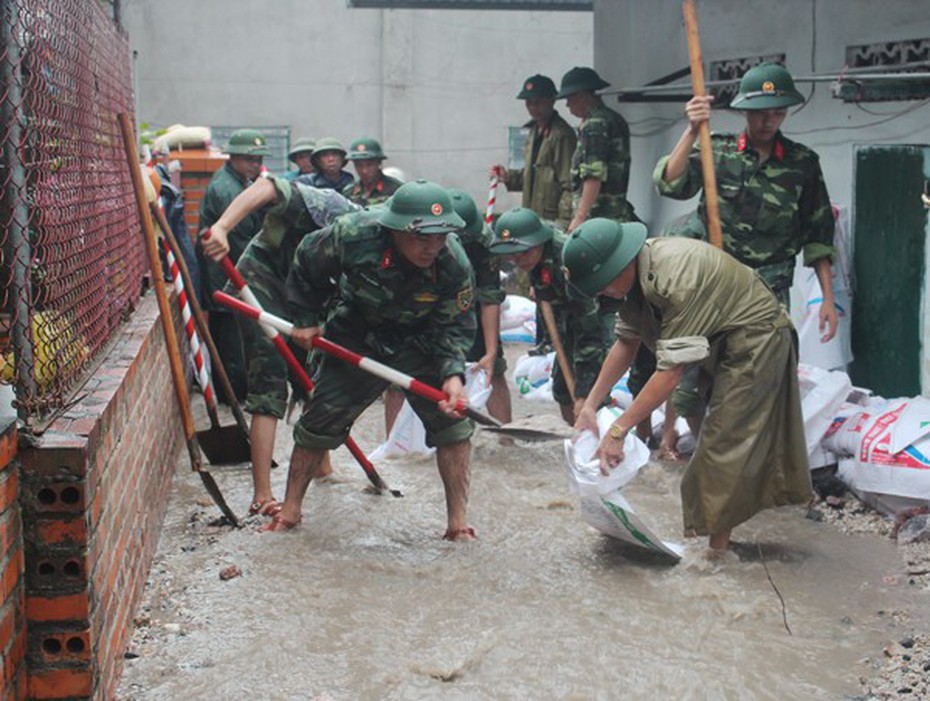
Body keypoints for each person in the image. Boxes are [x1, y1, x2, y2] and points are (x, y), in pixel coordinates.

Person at [565, 218, 812, 552]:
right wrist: (591, 406)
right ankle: (720, 539)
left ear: (622, 261)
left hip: (757, 340)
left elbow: (669, 373)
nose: (604, 292)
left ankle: (715, 557)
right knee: (718, 438)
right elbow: (625, 343)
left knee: (720, 444)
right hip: (720, 343)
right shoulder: (637, 277)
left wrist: (619, 430)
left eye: (605, 283)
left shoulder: (676, 280)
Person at [269, 180, 477, 541]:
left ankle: (457, 524)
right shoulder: (354, 233)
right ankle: (290, 510)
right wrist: (306, 318)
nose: (433, 247)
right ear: (396, 229)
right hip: (356, 333)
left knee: (454, 429)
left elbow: (454, 325)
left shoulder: (453, 262)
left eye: (441, 236)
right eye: (423, 237)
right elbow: (306, 260)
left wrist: (453, 375)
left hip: (420, 340)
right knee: (318, 424)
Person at [653, 62, 838, 436]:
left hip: (767, 292)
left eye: (777, 113)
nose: (768, 121)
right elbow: (669, 183)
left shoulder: (803, 164)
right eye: (759, 113)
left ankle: (747, 457)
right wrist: (691, 130)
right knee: (689, 376)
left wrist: (828, 300)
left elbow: (818, 236)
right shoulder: (716, 152)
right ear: (744, 111)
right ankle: (695, 443)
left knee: (763, 377)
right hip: (712, 285)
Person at [202, 176, 359, 519]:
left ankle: (322, 470)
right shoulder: (331, 208)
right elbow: (267, 185)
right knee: (269, 383)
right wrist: (223, 228)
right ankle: (262, 495)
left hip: (308, 303)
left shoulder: (375, 255)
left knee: (316, 380)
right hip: (261, 287)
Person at [489, 207, 609, 425]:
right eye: (513, 255)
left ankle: (601, 441)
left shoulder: (570, 259)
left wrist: (583, 395)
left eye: (524, 252)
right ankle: (577, 434)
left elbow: (591, 332)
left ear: (539, 242)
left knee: (590, 391)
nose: (519, 260)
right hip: (567, 314)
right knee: (563, 389)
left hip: (597, 315)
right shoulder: (534, 256)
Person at [196, 128, 271, 401]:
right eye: (249, 159)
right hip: (224, 273)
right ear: (234, 158)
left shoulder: (240, 182)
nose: (255, 163)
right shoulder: (227, 188)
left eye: (257, 158)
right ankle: (234, 393)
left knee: (232, 333)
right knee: (230, 336)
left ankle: (234, 389)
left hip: (228, 272)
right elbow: (243, 239)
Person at [449, 188, 511, 424]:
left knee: (490, 370)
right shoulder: (425, 235)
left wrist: (491, 352)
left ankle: (505, 437)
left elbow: (489, 299)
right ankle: (400, 449)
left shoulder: (484, 241)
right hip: (429, 302)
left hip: (470, 304)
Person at [557, 66, 638, 232]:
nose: (567, 105)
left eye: (569, 98)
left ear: (581, 95)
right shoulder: (613, 118)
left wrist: (579, 218)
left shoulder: (594, 125)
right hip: (615, 216)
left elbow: (593, 175)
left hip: (597, 221)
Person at [490, 74, 576, 230]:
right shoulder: (534, 132)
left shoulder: (561, 135)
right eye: (529, 103)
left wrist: (564, 222)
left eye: (539, 102)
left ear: (552, 100)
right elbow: (534, 175)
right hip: (533, 216)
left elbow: (569, 184)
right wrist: (508, 177)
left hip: (553, 220)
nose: (533, 108)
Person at [343, 137, 404, 207]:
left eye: (369, 165)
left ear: (379, 163)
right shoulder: (349, 192)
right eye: (359, 165)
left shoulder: (396, 190)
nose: (364, 171)